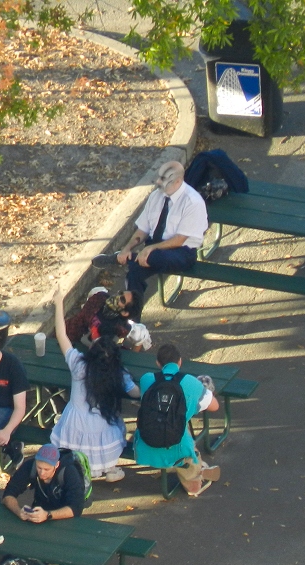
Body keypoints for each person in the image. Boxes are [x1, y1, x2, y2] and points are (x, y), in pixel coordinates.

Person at [49, 286, 139, 482]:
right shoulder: (119, 374)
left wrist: (59, 304)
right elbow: (135, 393)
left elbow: (62, 335)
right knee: (116, 428)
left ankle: (80, 471)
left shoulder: (78, 365)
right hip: (103, 429)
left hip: (74, 426)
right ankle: (110, 468)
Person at [94, 161, 208, 296]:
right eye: (159, 177)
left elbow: (180, 239)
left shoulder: (192, 202)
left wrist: (151, 248)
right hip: (152, 250)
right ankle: (132, 316)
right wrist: (127, 248)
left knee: (153, 256)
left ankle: (119, 259)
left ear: (178, 182)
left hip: (182, 252)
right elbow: (143, 229)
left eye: (164, 179)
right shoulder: (156, 196)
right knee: (133, 275)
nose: (158, 181)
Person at [133, 343, 221, 497]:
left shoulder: (147, 379)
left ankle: (186, 468)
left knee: (169, 423)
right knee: (183, 432)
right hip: (177, 448)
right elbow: (214, 406)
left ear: (158, 363)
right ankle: (195, 474)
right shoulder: (190, 383)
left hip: (144, 448)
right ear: (180, 361)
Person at [64, 286, 146, 348]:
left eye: (122, 299)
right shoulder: (99, 294)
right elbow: (89, 299)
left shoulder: (122, 328)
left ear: (125, 312)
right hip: (64, 335)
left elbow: (141, 336)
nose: (117, 296)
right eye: (120, 293)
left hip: (85, 355)